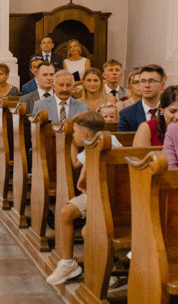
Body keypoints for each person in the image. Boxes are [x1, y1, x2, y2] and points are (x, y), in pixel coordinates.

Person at [46, 111, 120, 285]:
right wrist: (73, 144)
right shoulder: (92, 142)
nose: (73, 135)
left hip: (111, 196)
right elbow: (79, 166)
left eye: (75, 132)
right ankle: (68, 264)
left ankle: (109, 268)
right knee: (66, 212)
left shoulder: (108, 144)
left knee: (89, 230)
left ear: (85, 134)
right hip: (94, 193)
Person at [118, 64, 165, 132]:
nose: (147, 85)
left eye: (151, 81)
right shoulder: (127, 114)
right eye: (143, 81)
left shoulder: (170, 110)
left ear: (162, 85)